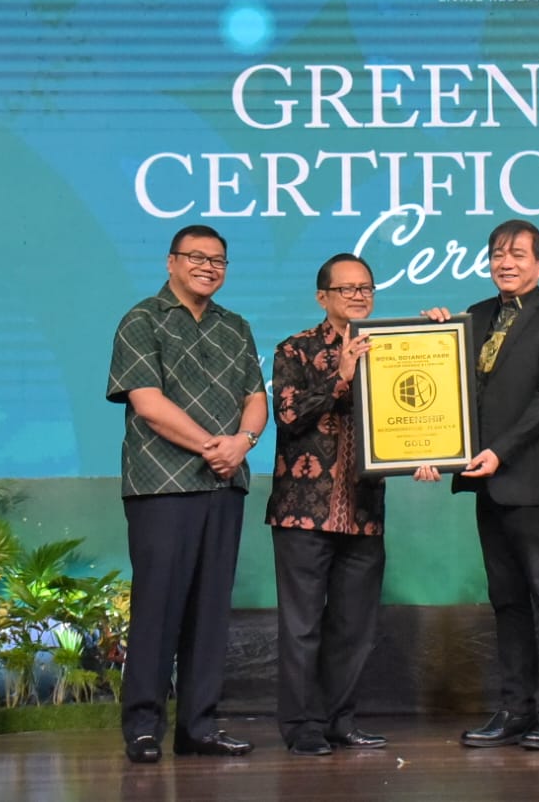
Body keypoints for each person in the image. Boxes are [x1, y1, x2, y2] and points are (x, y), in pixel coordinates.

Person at [415, 219, 539, 750]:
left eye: (517, 254)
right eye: (497, 254)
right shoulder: (474, 317)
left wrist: (501, 451)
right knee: (506, 599)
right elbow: (447, 390)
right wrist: (434, 338)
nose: (505, 263)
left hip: (536, 481)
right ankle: (516, 708)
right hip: (486, 482)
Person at [107, 224, 267, 764]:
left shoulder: (236, 327)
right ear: (171, 262)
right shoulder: (141, 320)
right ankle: (143, 728)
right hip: (161, 485)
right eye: (196, 257)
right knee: (158, 607)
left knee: (210, 611)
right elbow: (148, 404)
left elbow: (256, 399)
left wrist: (242, 443)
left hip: (224, 483)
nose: (208, 267)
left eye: (218, 260)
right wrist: (211, 446)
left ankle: (199, 726)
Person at [265, 253, 390, 757]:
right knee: (301, 627)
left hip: (364, 511)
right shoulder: (294, 349)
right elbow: (288, 415)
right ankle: (302, 726)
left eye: (366, 288)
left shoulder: (389, 349)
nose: (359, 296)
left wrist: (428, 454)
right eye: (347, 289)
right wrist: (341, 374)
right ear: (323, 297)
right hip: (302, 511)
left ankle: (341, 721)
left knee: (353, 629)